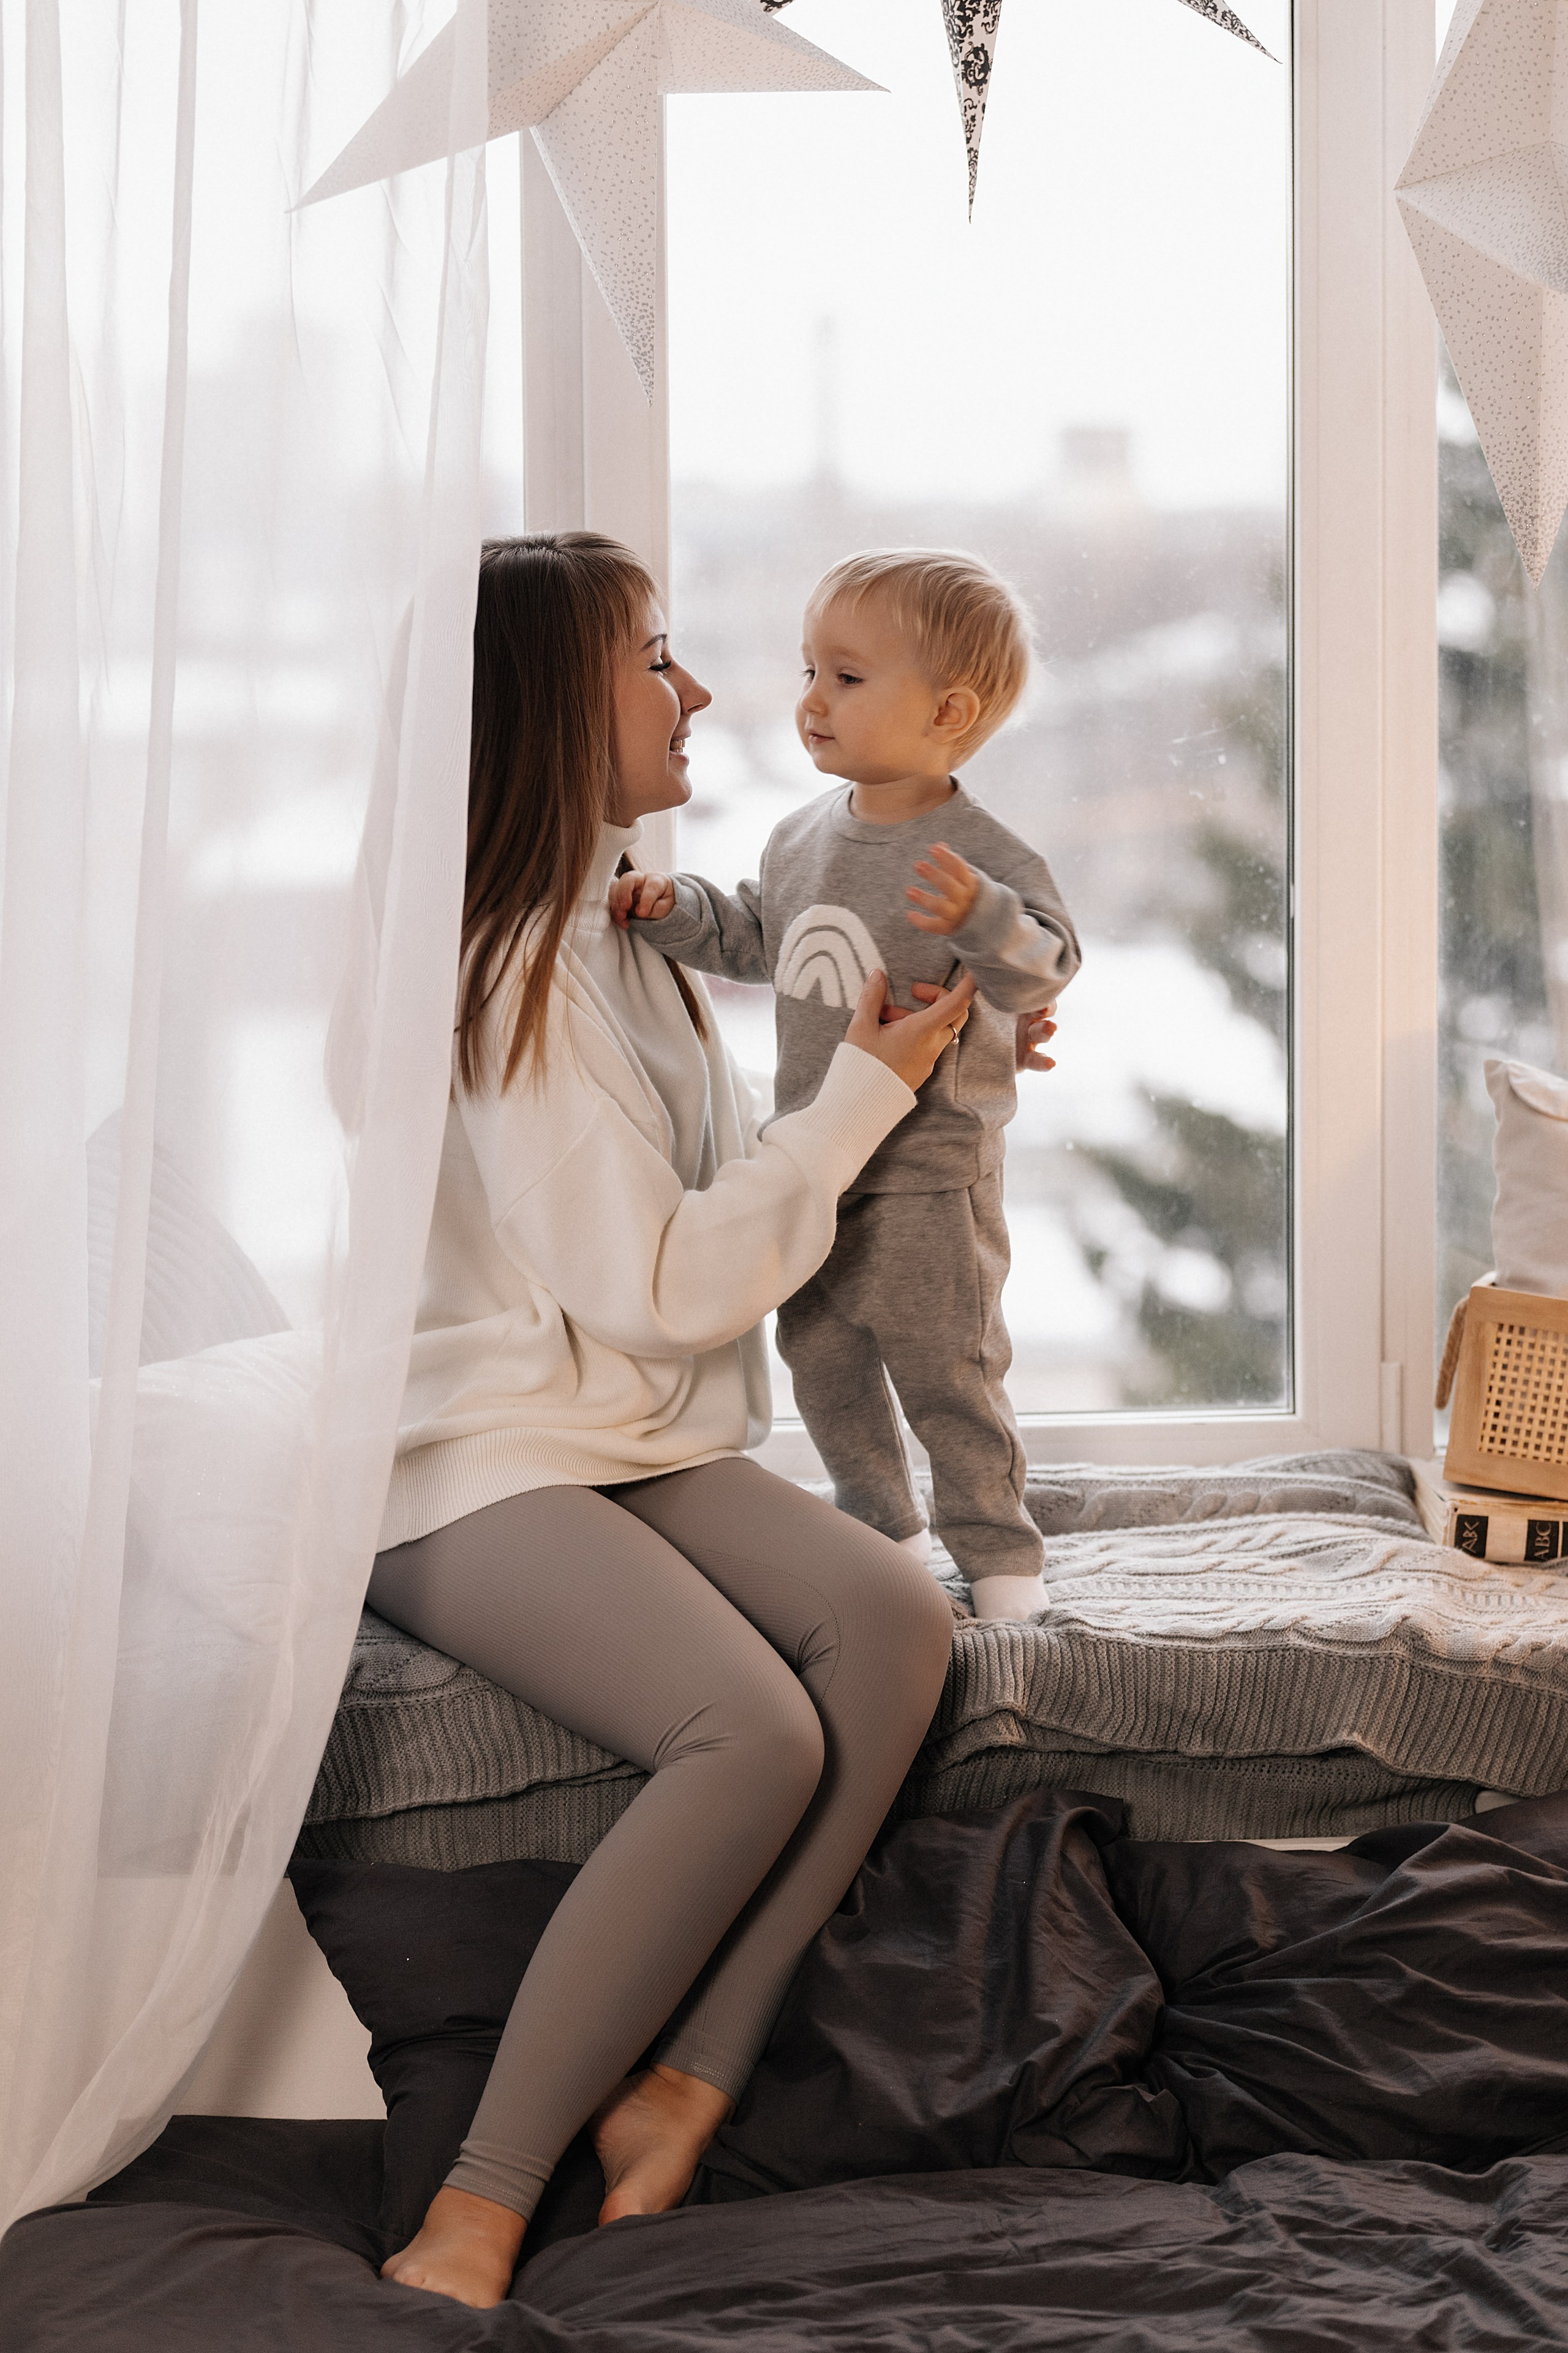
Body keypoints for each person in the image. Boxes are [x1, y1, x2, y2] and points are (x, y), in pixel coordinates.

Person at [366, 532, 980, 2311]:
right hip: (473, 1447)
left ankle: (685, 2082)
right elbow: (665, 1284)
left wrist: (969, 1030)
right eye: (657, 657)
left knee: (889, 1621)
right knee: (750, 1731)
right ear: (556, 705)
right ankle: (478, 2203)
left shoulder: (615, 927)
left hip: (611, 1426)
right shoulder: (512, 970)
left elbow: (743, 1160)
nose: (699, 689)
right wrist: (869, 1090)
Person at [614, 549, 1079, 1623]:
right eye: (808, 672)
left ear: (947, 708)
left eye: (847, 678)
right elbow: (757, 936)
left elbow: (1044, 964)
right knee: (821, 1362)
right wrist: (668, 906)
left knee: (949, 1376)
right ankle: (889, 1536)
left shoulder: (978, 851)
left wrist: (982, 920)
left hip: (928, 1177)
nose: (810, 702)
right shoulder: (799, 837)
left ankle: (1004, 1564)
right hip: (815, 1172)